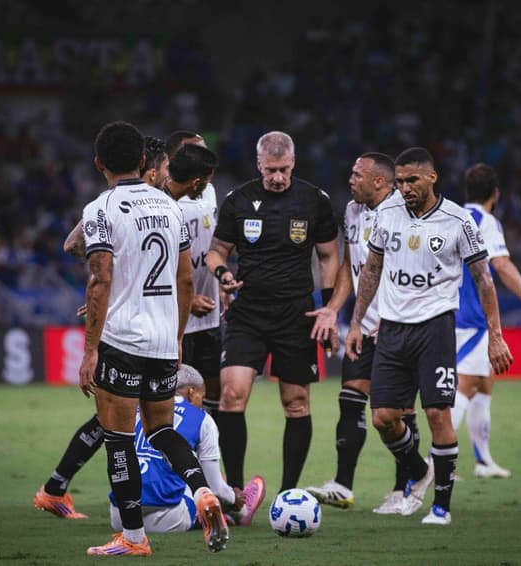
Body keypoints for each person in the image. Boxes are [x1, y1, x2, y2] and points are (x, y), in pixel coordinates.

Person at [76, 121, 228, 556]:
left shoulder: (99, 210)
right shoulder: (171, 209)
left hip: (122, 339)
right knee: (162, 429)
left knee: (119, 436)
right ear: (144, 161)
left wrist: (90, 350)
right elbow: (185, 279)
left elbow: (100, 279)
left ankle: (133, 538)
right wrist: (176, 339)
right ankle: (200, 490)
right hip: (164, 341)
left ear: (99, 163)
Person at [345, 147, 513, 526]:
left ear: (432, 178)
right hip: (391, 327)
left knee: (438, 413)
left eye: (412, 180)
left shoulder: (457, 220)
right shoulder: (386, 214)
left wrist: (495, 335)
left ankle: (441, 507)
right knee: (384, 418)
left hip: (436, 327)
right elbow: (372, 270)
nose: (404, 188)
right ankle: (419, 469)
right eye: (400, 181)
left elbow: (483, 278)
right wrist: (356, 323)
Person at [33, 136, 173, 520]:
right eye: (164, 169)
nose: (167, 176)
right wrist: (115, 288)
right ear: (149, 167)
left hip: (147, 326)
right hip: (152, 331)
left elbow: (78, 249)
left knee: (117, 422)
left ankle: (57, 487)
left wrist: (116, 287)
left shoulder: (156, 204)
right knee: (125, 423)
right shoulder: (156, 204)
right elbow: (75, 246)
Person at [205, 131, 340, 494]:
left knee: (296, 402)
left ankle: (288, 493)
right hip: (247, 312)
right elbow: (215, 251)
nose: (277, 177)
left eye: (283, 170)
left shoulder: (314, 200)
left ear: (293, 163)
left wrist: (328, 307)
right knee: (232, 394)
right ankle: (232, 491)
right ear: (258, 164)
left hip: (296, 314)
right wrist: (224, 274)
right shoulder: (240, 200)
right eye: (270, 171)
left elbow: (329, 257)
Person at [304, 152, 424, 515]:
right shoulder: (354, 211)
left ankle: (407, 486)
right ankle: (343, 484)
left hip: (398, 325)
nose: (350, 180)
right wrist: (334, 309)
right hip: (363, 324)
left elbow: (414, 270)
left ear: (380, 182)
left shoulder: (405, 214)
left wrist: (398, 315)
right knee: (350, 398)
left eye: (358, 175)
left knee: (397, 412)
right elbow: (349, 266)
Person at [450, 163, 521, 479]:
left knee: (484, 383)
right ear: (496, 194)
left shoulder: (451, 215)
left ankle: (483, 461)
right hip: (473, 318)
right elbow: (503, 266)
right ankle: (433, 461)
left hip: (447, 313)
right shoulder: (486, 221)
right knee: (464, 386)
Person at [108, 364, 266, 532]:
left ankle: (224, 511)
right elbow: (215, 487)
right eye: (202, 397)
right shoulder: (201, 419)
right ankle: (241, 512)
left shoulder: (137, 408)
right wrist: (235, 498)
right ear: (192, 393)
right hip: (169, 517)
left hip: (120, 518)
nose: (201, 403)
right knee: (204, 475)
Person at [167, 131, 223, 417]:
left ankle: (206, 455)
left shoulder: (208, 190)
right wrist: (187, 300)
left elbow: (214, 244)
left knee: (214, 391)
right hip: (177, 321)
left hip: (211, 315)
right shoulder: (165, 200)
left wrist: (223, 283)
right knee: (178, 395)